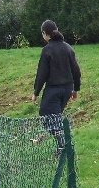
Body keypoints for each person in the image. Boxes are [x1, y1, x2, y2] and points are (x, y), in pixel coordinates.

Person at [32, 19, 81, 155]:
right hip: (67, 89)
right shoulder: (68, 48)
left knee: (47, 115)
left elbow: (42, 73)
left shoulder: (47, 50)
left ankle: (64, 145)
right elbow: (76, 71)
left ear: (44, 33)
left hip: (54, 89)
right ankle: (62, 146)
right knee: (55, 116)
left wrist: (36, 92)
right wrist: (75, 89)